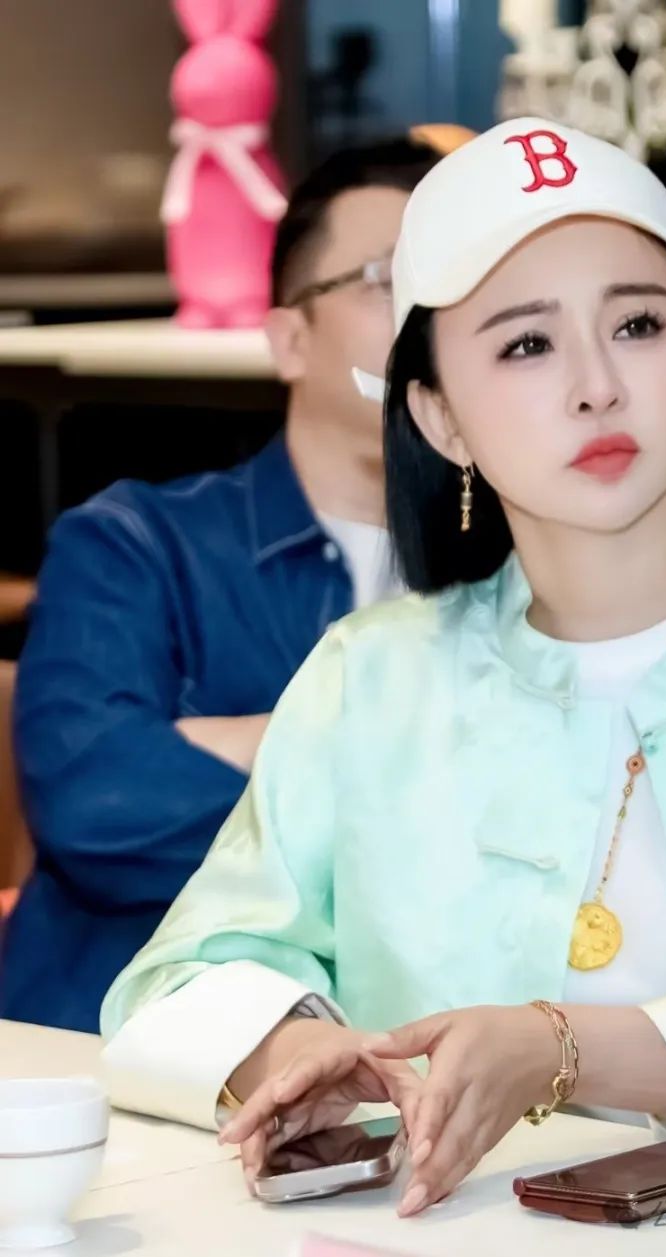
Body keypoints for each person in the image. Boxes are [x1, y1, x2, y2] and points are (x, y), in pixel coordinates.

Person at [101, 120, 666, 1217]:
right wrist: (298, 1050)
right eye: (527, 344)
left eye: (637, 324)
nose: (596, 385)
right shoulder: (371, 677)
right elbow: (179, 977)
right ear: (439, 416)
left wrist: (559, 1047)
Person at [0, 136, 452, 1032]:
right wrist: (401, 765)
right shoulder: (134, 543)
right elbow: (96, 807)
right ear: (289, 338)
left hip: (400, 1072)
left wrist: (247, 744)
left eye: (452, 287)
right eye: (387, 279)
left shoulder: (518, 569)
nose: (429, 320)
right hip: (114, 1054)